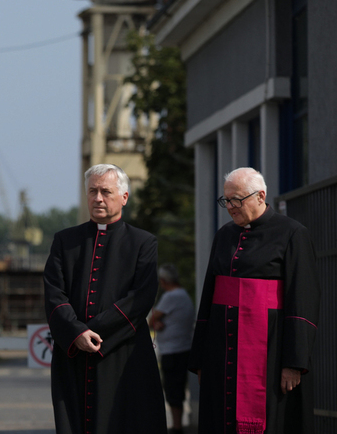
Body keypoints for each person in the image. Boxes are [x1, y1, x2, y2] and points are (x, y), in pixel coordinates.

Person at [189, 167, 320, 434]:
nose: (230, 207)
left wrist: (294, 362)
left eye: (237, 200)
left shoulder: (293, 233)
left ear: (260, 196)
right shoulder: (224, 234)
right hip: (222, 351)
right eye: (226, 200)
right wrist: (200, 357)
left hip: (270, 354)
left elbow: (303, 299)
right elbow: (209, 296)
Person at [43, 163, 166, 434]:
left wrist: (95, 331)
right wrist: (76, 333)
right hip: (73, 351)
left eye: (106, 192)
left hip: (122, 352)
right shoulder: (65, 241)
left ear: (124, 197)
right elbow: (53, 293)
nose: (98, 198)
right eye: (92, 191)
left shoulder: (143, 242)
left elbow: (141, 297)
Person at [149, 264, 195, 434]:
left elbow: (151, 319)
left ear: (163, 280)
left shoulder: (171, 296)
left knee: (173, 390)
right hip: (181, 349)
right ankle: (178, 425)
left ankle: (176, 427)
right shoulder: (183, 294)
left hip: (173, 351)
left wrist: (156, 322)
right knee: (177, 388)